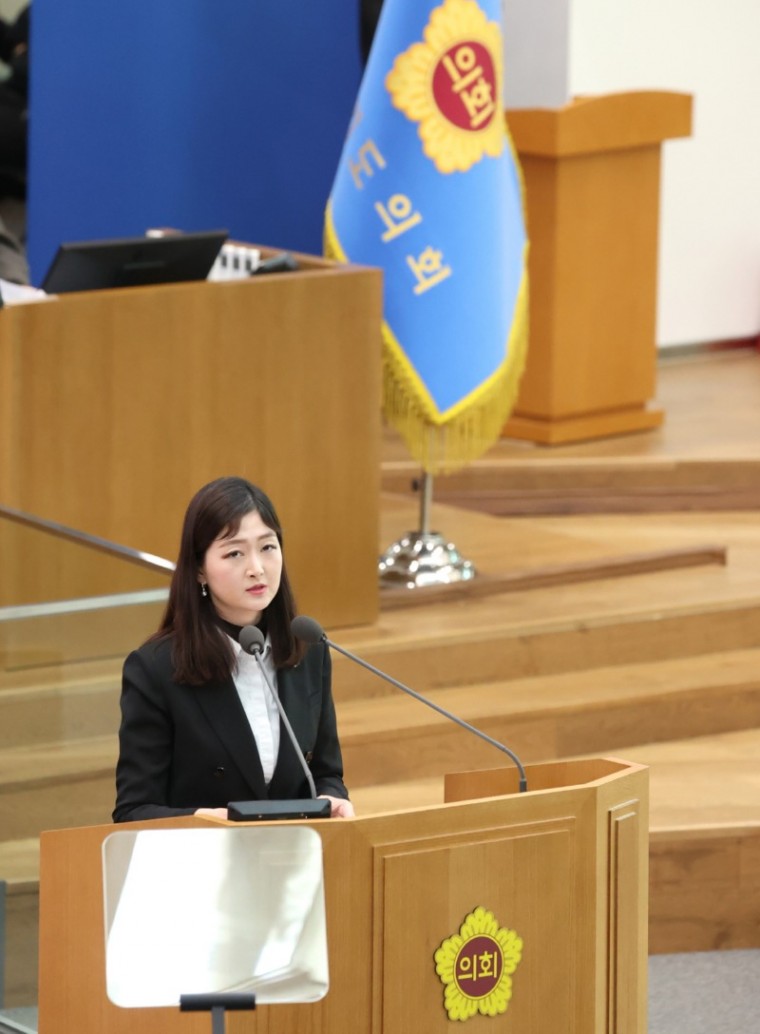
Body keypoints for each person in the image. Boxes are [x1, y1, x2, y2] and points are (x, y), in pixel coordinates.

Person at [113, 476, 354, 822]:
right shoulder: (155, 669)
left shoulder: (308, 647)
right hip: (203, 865)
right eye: (235, 553)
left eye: (268, 547)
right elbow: (134, 811)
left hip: (291, 863)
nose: (257, 568)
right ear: (199, 569)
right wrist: (208, 822)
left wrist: (335, 799)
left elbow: (325, 772)